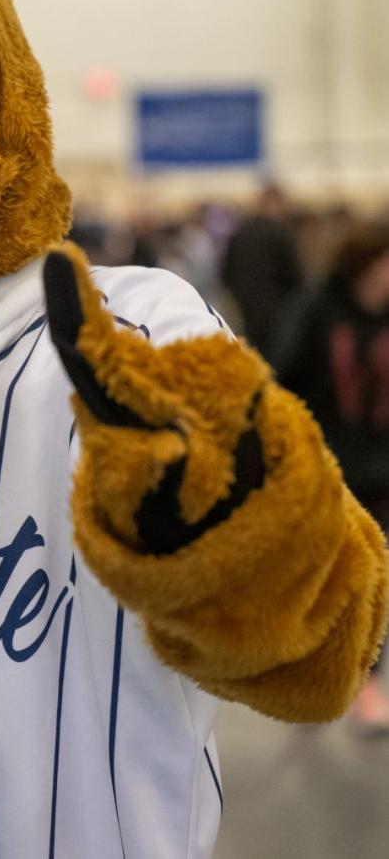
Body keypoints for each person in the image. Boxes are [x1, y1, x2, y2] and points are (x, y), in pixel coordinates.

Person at [273, 219, 389, 732]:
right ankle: (316, 668)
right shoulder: (318, 307)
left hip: (384, 474)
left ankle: (367, 683)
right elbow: (281, 376)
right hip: (328, 473)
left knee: (378, 585)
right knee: (327, 586)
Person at [220, 182, 303, 354]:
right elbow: (294, 276)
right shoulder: (280, 234)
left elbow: (225, 272)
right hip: (276, 313)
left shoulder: (240, 233)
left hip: (243, 310)